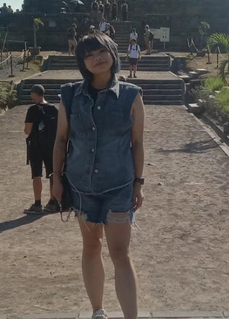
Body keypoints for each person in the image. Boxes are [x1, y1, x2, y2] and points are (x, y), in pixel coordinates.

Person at [52, 32, 145, 319]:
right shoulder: (69, 95)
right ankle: (97, 311)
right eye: (89, 55)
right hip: (81, 185)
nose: (97, 58)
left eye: (101, 51)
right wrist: (56, 178)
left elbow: (138, 143)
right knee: (91, 247)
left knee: (120, 253)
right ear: (83, 62)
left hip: (119, 184)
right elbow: (61, 139)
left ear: (114, 54)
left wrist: (139, 184)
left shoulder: (131, 94)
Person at [24, 85, 60, 214]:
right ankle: (53, 201)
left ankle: (37, 203)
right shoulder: (53, 109)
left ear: (35, 94)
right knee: (52, 173)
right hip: (51, 146)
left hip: (36, 146)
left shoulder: (33, 110)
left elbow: (27, 130)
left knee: (36, 174)